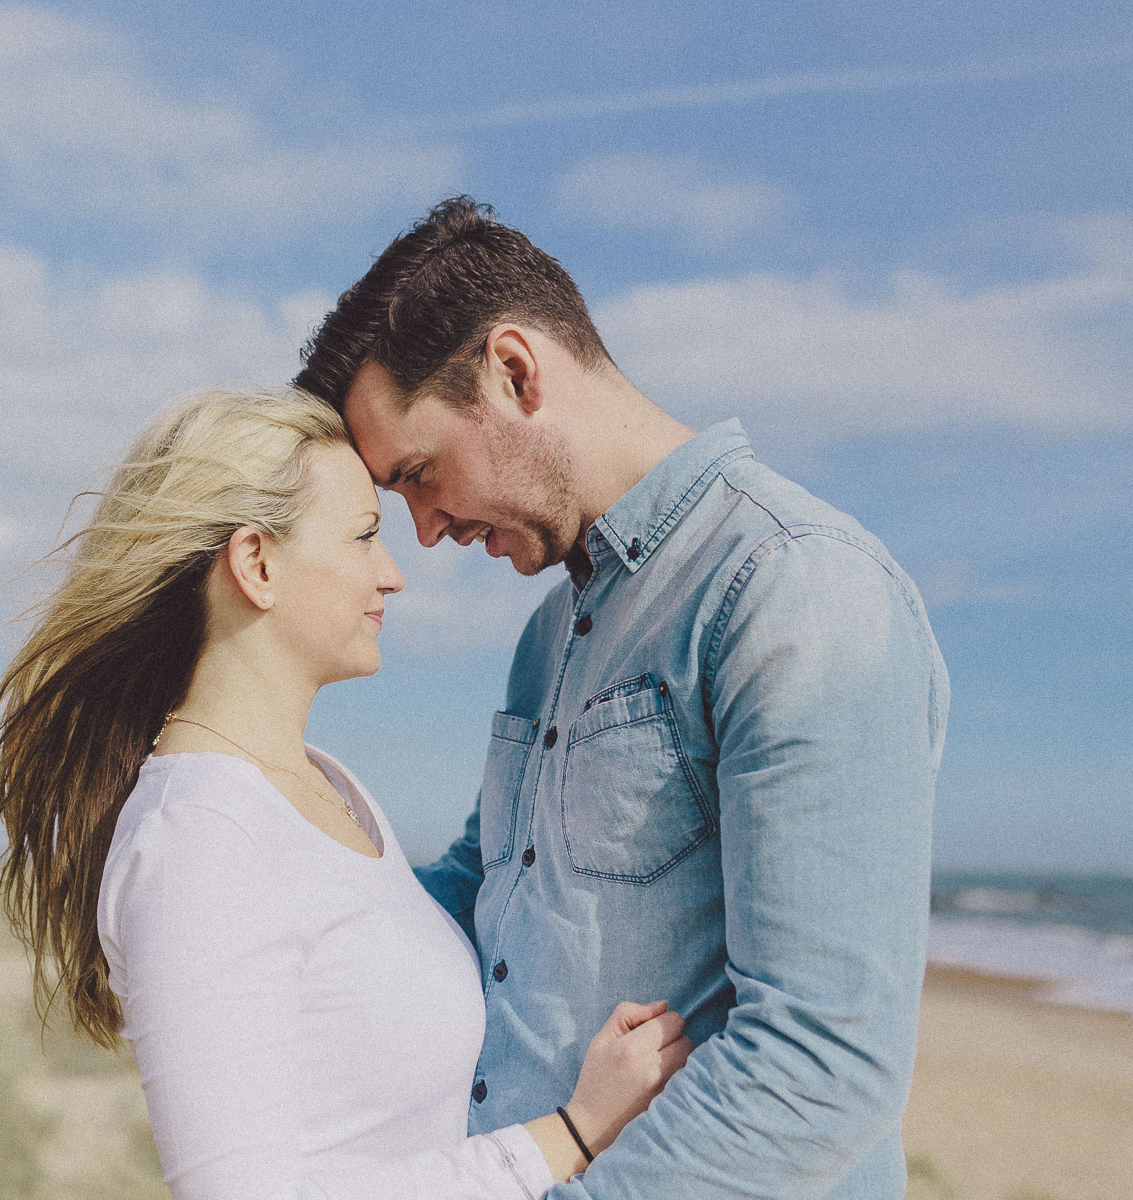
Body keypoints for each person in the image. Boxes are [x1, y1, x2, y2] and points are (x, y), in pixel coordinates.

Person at [294, 198, 951, 1200]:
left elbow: (823, 1064)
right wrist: (263, 914)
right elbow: (487, 890)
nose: (423, 531)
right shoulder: (550, 633)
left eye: (420, 474)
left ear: (515, 372)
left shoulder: (795, 586)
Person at [0, 390, 694, 1200]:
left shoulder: (328, 787)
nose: (393, 573)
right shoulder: (197, 841)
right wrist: (572, 1133)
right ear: (257, 564)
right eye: (364, 535)